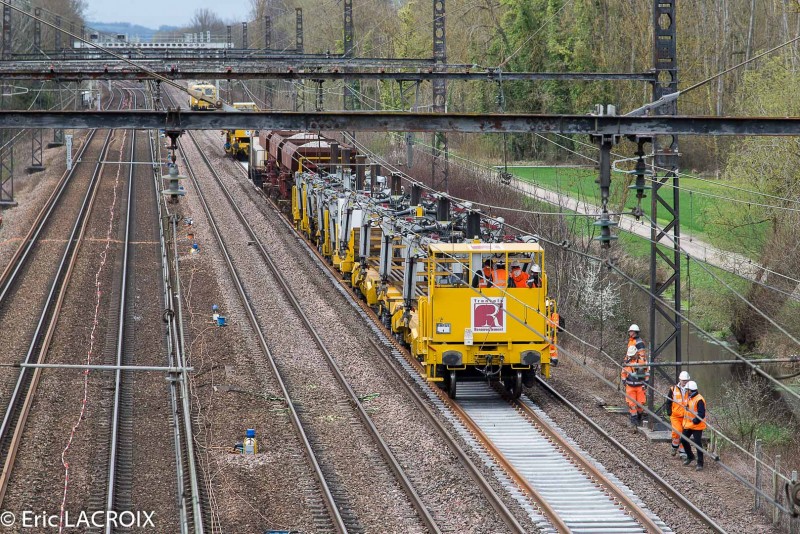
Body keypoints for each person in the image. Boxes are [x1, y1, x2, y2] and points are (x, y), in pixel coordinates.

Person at [621, 344, 649, 432]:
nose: (631, 356)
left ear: (636, 353)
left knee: (640, 403)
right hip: (630, 386)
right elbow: (623, 373)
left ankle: (639, 418)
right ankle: (634, 422)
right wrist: (624, 382)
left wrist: (646, 383)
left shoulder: (642, 361)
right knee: (632, 404)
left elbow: (647, 372)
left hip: (640, 386)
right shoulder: (626, 362)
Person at [682, 381, 707, 471]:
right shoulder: (689, 397)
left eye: (687, 390)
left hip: (697, 425)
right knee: (683, 439)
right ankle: (690, 456)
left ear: (691, 390)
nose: (686, 391)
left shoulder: (699, 399)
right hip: (688, 424)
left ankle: (700, 463)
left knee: (698, 443)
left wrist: (696, 421)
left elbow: (701, 413)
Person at [666, 371, 691, 458]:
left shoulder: (690, 390)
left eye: (686, 380)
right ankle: (674, 446)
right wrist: (669, 411)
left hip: (686, 416)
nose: (685, 382)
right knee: (676, 432)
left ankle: (682, 452)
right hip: (675, 415)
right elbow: (668, 401)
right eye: (683, 380)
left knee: (684, 434)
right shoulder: (673, 389)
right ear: (680, 380)